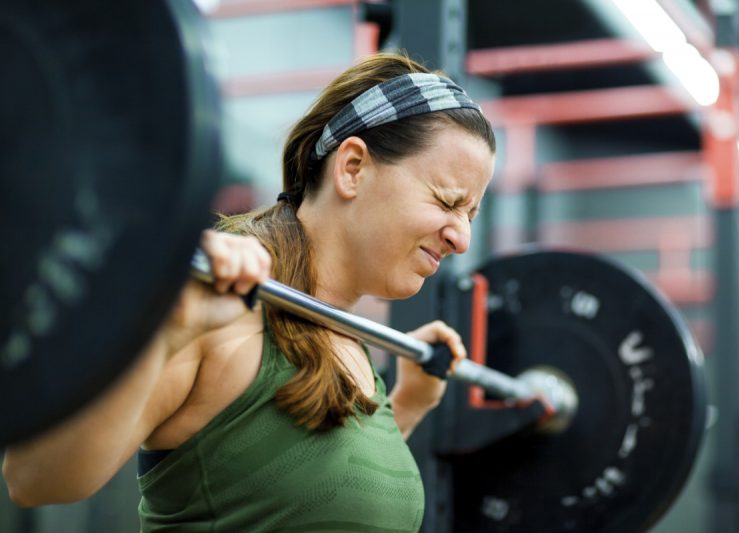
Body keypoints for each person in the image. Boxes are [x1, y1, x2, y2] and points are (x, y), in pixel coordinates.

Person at [3, 51, 496, 531]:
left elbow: (321, 501)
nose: (462, 237)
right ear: (351, 168)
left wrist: (408, 404)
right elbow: (34, 481)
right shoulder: (222, 305)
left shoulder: (349, 342)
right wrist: (171, 333)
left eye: (470, 216)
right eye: (448, 201)